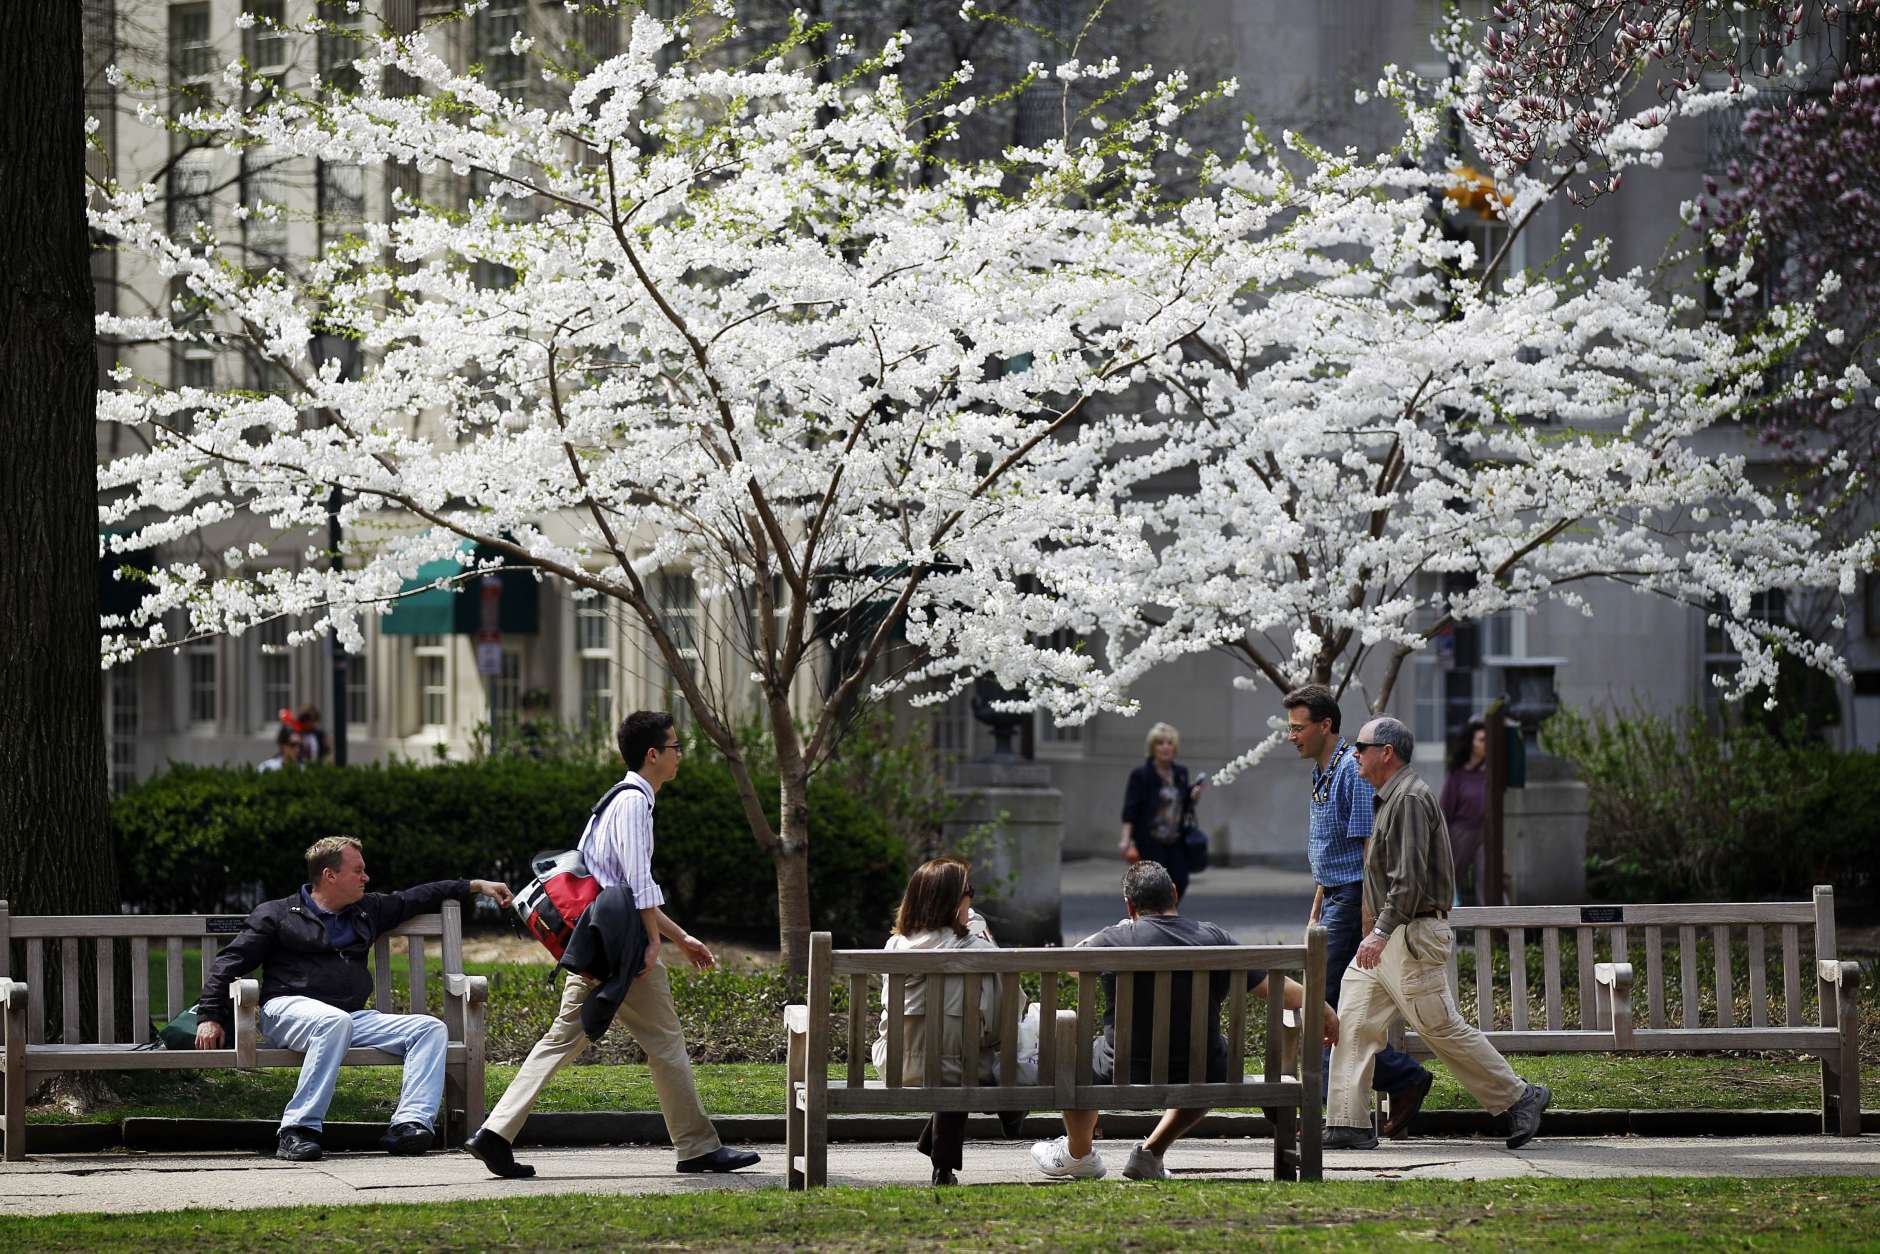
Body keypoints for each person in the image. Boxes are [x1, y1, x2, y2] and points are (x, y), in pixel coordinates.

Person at [466, 710, 762, 1180]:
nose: (679, 754)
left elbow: (618, 886)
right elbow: (637, 884)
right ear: (653, 755)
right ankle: (697, 1148)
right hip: (621, 954)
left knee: (561, 1041)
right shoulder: (633, 804)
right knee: (665, 1043)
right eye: (675, 747)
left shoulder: (615, 802)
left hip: (601, 946)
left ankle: (495, 1134)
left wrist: (679, 937)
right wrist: (652, 944)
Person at [194, 837, 514, 1162]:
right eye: (358, 870)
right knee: (334, 1021)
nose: (366, 877)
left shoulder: (367, 910)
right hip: (287, 1010)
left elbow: (418, 896)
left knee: (429, 1028)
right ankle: (298, 1129)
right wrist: (210, 1015)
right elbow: (229, 962)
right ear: (330, 875)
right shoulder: (277, 914)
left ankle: (409, 1125)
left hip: (347, 1017)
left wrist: (475, 885)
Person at [1030, 862, 1340, 1181]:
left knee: (1077, 1055)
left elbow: (1070, 964)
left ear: (1129, 905)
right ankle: (1150, 1152)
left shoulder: (1115, 938)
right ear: (1175, 894)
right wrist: (1323, 1006)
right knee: (1208, 1054)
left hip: (1122, 1068)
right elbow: (1279, 990)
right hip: (1203, 1068)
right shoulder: (1213, 937)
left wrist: (1110, 930)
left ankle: (1079, 1154)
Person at [1324, 716, 1550, 1151]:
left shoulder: (1408, 798)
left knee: (1440, 1027)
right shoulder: (1389, 797)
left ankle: (1520, 1097)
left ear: (1386, 752)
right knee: (1354, 1020)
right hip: (1392, 939)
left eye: (1361, 746)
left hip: (1409, 936)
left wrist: (1378, 933)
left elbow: (1407, 881)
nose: (1354, 754)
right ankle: (1347, 1123)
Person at [1282, 684, 1432, 1136]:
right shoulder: (1321, 773)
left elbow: (1368, 850)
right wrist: (1316, 906)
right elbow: (1327, 851)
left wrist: (1370, 919)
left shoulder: (1349, 770)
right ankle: (1397, 1082)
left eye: (1298, 727)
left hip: (1352, 898)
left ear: (1325, 725)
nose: (1291, 736)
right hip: (1333, 896)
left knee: (1327, 1005)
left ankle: (1349, 1109)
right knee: (1329, 1006)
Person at [869, 856, 1026, 1186]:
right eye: (969, 890)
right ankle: (1012, 1110)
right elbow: (1003, 1019)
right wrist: (988, 940)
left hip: (897, 1065)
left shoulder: (894, 946)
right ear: (956, 900)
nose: (972, 896)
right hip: (959, 1067)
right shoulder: (976, 948)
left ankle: (944, 1164)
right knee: (964, 1061)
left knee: (950, 1057)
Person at [1118, 722, 1203, 901]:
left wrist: (1192, 796)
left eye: (1169, 743)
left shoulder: (1180, 773)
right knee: (1154, 884)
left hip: (1175, 838)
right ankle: (1155, 919)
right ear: (1152, 747)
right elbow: (1131, 808)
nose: (1165, 747)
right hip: (1150, 839)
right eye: (1160, 743)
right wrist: (1126, 839)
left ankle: (1167, 915)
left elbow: (1182, 804)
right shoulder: (1141, 775)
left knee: (1180, 879)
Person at [1439, 719, 1489, 906]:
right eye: (1482, 740)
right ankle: (1449, 926)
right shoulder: (1457, 774)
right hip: (1461, 831)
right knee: (1452, 877)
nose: (1487, 744)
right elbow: (1446, 807)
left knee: (1489, 878)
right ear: (1471, 743)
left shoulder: (1491, 771)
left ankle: (1499, 928)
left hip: (1486, 831)